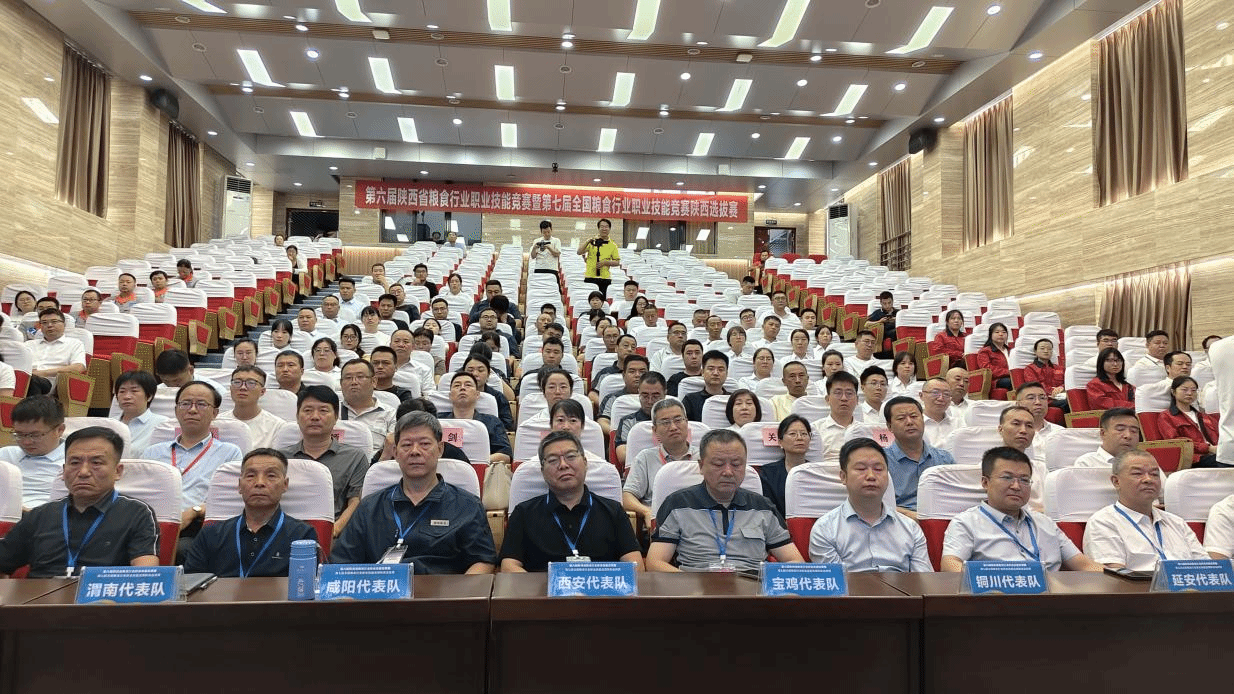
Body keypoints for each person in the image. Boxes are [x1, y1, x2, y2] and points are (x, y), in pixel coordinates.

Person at [331, 411, 496, 573]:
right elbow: (341, 563)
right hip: (381, 589)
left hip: (444, 588)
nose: (415, 451)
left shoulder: (467, 505)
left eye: (424, 444)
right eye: (407, 445)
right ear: (395, 452)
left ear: (440, 449)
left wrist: (458, 590)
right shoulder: (370, 507)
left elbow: (483, 560)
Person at [0, 426, 159, 577]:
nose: (83, 472)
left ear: (118, 471)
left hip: (101, 595)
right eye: (75, 463)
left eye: (96, 463)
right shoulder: (40, 516)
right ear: (64, 471)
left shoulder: (137, 513)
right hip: (40, 595)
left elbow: (145, 576)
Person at [647, 429, 804, 571]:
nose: (728, 472)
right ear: (701, 466)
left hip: (752, 587)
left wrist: (769, 580)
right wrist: (689, 584)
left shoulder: (763, 507)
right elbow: (655, 562)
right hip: (696, 587)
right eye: (718, 464)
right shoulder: (677, 504)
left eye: (736, 464)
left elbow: (795, 561)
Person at [940, 447, 1103, 572]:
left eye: (1024, 480)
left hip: (1051, 599)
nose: (1016, 486)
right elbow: (950, 565)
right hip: (996, 599)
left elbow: (1084, 564)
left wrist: (1116, 576)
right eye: (1007, 477)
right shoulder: (965, 523)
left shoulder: (1045, 523)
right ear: (985, 482)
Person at [500, 431, 643, 572]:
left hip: (602, 586)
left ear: (585, 463)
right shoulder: (524, 513)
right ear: (542, 471)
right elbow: (508, 566)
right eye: (553, 460)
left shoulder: (613, 511)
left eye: (571, 457)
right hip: (542, 587)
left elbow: (635, 566)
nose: (563, 465)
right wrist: (546, 585)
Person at [183, 448, 319, 577]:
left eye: (271, 476)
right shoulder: (210, 534)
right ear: (239, 485)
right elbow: (191, 584)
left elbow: (309, 585)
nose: (259, 483)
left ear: (285, 485)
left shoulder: (302, 536)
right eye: (251, 476)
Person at [809, 438, 932, 572]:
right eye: (861, 469)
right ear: (843, 477)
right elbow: (836, 582)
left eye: (878, 469)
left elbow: (923, 579)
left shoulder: (911, 529)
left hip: (903, 586)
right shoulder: (825, 529)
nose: (871, 476)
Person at [141, 382, 244, 533]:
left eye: (201, 404)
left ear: (215, 413)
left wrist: (195, 511)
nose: (192, 410)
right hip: (153, 524)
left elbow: (228, 500)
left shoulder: (229, 453)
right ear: (176, 410)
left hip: (199, 526)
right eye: (185, 404)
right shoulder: (152, 453)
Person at [1082, 450, 1206, 570]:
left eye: (1154, 474)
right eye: (1137, 474)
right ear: (1116, 481)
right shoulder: (1103, 522)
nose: (1148, 479)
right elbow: (1114, 577)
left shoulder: (1177, 523)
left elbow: (1207, 567)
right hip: (1138, 585)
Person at [280, 386, 370, 536]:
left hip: (335, 534)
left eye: (323, 411)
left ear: (336, 417)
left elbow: (355, 501)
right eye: (308, 410)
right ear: (297, 416)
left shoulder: (355, 457)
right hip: (285, 533)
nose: (315, 417)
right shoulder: (280, 459)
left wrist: (333, 531)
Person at [622, 398, 697, 529]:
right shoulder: (645, 458)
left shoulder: (705, 456)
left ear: (686, 423)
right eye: (665, 422)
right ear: (655, 430)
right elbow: (627, 497)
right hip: (660, 526)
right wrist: (647, 511)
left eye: (678, 420)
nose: (673, 427)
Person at [883, 396, 955, 516]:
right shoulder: (881, 460)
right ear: (889, 426)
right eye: (901, 418)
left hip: (941, 517)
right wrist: (910, 516)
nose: (909, 422)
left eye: (914, 416)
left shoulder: (944, 458)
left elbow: (956, 496)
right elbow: (876, 503)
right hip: (898, 520)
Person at [0, 395, 66, 509]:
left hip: (40, 515)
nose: (26, 442)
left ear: (59, 430)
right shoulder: (5, 454)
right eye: (19, 434)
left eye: (35, 435)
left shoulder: (73, 462)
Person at [440, 371, 512, 464]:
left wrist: (477, 461)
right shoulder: (439, 421)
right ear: (450, 396)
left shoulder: (492, 422)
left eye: (468, 385)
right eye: (457, 386)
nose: (462, 388)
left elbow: (505, 455)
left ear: (477, 395)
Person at [995, 405, 1049, 513]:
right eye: (1016, 424)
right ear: (1000, 429)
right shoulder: (988, 467)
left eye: (1029, 426)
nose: (1023, 430)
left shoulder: (1041, 468)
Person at [1158, 376, 1221, 467]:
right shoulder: (1167, 416)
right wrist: (1208, 448)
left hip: (1216, 453)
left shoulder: (1203, 416)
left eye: (1193, 390)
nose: (1189, 393)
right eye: (1184, 389)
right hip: (1194, 458)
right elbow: (1176, 442)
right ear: (1173, 392)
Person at [339, 359, 398, 456]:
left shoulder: (390, 415)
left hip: (376, 463)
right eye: (348, 378)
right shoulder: (330, 412)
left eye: (360, 377)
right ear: (341, 384)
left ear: (374, 381)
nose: (354, 382)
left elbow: (393, 449)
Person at [217, 365, 285, 449]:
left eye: (251, 383)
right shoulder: (217, 423)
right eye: (237, 382)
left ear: (262, 391)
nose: (243, 387)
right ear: (230, 388)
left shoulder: (277, 426)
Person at [758, 415, 812, 517]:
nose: (799, 438)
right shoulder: (768, 473)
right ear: (780, 442)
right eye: (792, 434)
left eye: (804, 434)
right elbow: (768, 509)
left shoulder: (817, 472)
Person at [28, 308, 86, 395]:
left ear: (64, 324)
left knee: (32, 381)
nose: (49, 325)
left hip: (52, 383)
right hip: (26, 378)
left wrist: (42, 373)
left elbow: (78, 367)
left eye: (54, 322)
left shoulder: (74, 344)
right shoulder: (28, 344)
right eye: (44, 323)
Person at [615, 372, 666, 466]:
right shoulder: (628, 422)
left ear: (665, 393)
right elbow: (622, 456)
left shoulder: (676, 421)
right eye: (645, 396)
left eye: (655, 396)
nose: (650, 401)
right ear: (639, 392)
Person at [114, 370, 168, 453]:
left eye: (134, 391)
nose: (127, 396)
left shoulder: (162, 424)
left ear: (149, 396)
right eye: (122, 391)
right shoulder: (109, 424)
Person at [598, 354, 648, 436]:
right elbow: (602, 422)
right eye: (632, 371)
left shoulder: (656, 398)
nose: (637, 375)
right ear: (624, 375)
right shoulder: (612, 398)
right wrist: (621, 435)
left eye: (642, 372)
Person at [1074, 408, 1142, 469]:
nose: (1128, 435)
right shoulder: (1087, 463)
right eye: (1120, 429)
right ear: (1103, 433)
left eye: (1134, 431)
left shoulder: (1143, 463)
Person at [577, 218, 620, 297]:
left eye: (606, 227)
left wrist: (605, 262)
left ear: (609, 229)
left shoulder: (613, 245)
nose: (604, 229)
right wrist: (588, 241)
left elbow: (617, 262)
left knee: (602, 300)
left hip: (605, 278)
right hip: (590, 276)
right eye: (602, 227)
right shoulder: (592, 242)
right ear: (598, 228)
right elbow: (579, 252)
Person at [682, 350, 729, 422]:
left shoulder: (733, 399)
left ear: (727, 374)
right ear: (702, 372)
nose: (716, 373)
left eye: (720, 369)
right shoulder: (690, 400)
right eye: (711, 369)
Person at [1016, 381, 1064, 447]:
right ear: (1018, 404)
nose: (1038, 402)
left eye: (1042, 398)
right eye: (1031, 398)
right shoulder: (1012, 433)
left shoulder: (1060, 432)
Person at [1023, 338, 1066, 408]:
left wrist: (1062, 387)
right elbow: (1035, 386)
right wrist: (1053, 391)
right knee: (1068, 402)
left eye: (1049, 349)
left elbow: (1068, 382)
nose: (1046, 351)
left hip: (1061, 395)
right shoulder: (1030, 369)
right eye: (1042, 348)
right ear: (1035, 351)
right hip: (1043, 399)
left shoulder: (1059, 368)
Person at [920, 377, 958, 445]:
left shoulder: (958, 423)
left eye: (946, 394)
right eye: (935, 393)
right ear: (921, 396)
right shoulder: (915, 425)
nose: (941, 398)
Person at [975, 322, 1012, 390]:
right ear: (990, 335)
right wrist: (1008, 372)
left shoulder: (1011, 351)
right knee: (1011, 382)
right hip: (996, 380)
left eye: (1004, 332)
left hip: (1012, 376)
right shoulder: (985, 351)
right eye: (997, 332)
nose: (1001, 334)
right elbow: (987, 369)